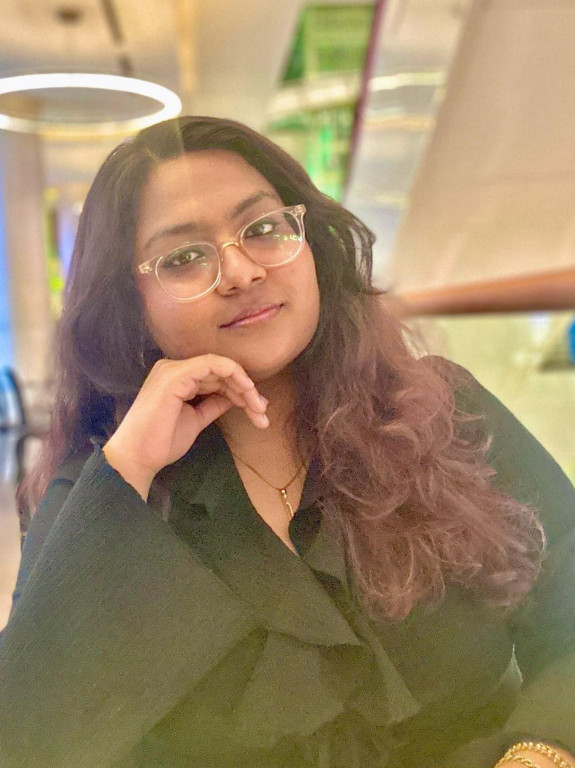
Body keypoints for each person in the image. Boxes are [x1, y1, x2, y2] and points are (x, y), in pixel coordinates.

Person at [0, 116, 574, 768]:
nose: (241, 271)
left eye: (263, 228)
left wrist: (542, 750)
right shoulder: (105, 486)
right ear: (129, 304)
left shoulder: (444, 410)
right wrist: (128, 466)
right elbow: (25, 739)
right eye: (183, 257)